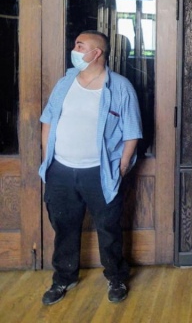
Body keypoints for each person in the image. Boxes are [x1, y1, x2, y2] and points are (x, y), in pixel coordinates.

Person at [39, 30, 142, 305]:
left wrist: (121, 168)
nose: (74, 49)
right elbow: (48, 119)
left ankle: (116, 277)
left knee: (108, 228)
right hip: (61, 170)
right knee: (64, 227)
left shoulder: (120, 87)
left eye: (79, 46)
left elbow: (132, 132)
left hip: (100, 171)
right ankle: (64, 278)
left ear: (96, 53)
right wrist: (48, 160)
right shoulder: (65, 82)